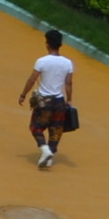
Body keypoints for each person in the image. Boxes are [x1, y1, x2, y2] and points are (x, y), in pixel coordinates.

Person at [19, 29, 78, 170]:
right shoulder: (68, 63)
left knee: (36, 127)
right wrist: (69, 100)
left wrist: (23, 94)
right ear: (60, 44)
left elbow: (32, 79)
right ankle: (50, 155)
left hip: (44, 102)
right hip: (59, 102)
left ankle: (45, 150)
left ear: (47, 44)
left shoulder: (42, 61)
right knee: (56, 129)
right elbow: (68, 83)